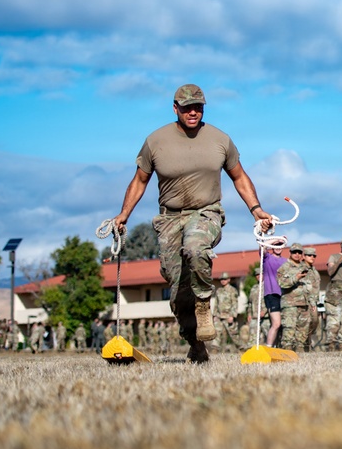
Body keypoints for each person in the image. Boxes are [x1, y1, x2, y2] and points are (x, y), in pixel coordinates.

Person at [111, 84, 272, 364]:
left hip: (206, 212)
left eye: (198, 107)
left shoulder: (220, 140)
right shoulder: (155, 141)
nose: (193, 112)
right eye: (187, 108)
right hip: (170, 218)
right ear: (175, 108)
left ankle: (203, 305)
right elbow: (139, 181)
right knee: (176, 290)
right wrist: (123, 214)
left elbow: (239, 177)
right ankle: (196, 344)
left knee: (196, 248)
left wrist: (256, 209)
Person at [277, 243, 316, 351]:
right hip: (290, 305)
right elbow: (282, 283)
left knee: (302, 334)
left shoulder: (305, 268)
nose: (297, 254)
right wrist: (296, 277)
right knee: (289, 332)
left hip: (304, 305)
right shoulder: (284, 268)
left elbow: (309, 286)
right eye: (295, 252)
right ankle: (286, 356)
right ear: (290, 253)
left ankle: (300, 356)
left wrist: (312, 302)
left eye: (299, 252)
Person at [260, 240, 285, 347]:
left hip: (284, 295)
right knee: (276, 323)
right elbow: (262, 247)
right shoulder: (267, 258)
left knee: (284, 325)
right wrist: (275, 240)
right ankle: (269, 347)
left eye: (280, 245)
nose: (278, 247)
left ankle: (278, 347)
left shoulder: (286, 261)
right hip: (272, 294)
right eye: (275, 246)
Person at [212, 272, 239, 352]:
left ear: (229, 280)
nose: (222, 281)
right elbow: (216, 304)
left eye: (224, 279)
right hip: (219, 316)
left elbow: (235, 303)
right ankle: (215, 350)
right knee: (216, 334)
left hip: (228, 316)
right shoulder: (219, 291)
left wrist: (232, 316)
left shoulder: (232, 290)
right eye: (221, 279)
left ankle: (241, 350)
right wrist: (214, 315)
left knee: (234, 335)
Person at [302, 247, 322, 350]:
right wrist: (310, 302)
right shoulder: (301, 269)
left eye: (314, 256)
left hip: (314, 302)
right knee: (304, 325)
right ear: (304, 256)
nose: (312, 257)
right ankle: (304, 346)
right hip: (304, 302)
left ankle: (307, 344)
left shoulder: (314, 271)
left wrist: (315, 303)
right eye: (310, 255)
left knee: (314, 323)